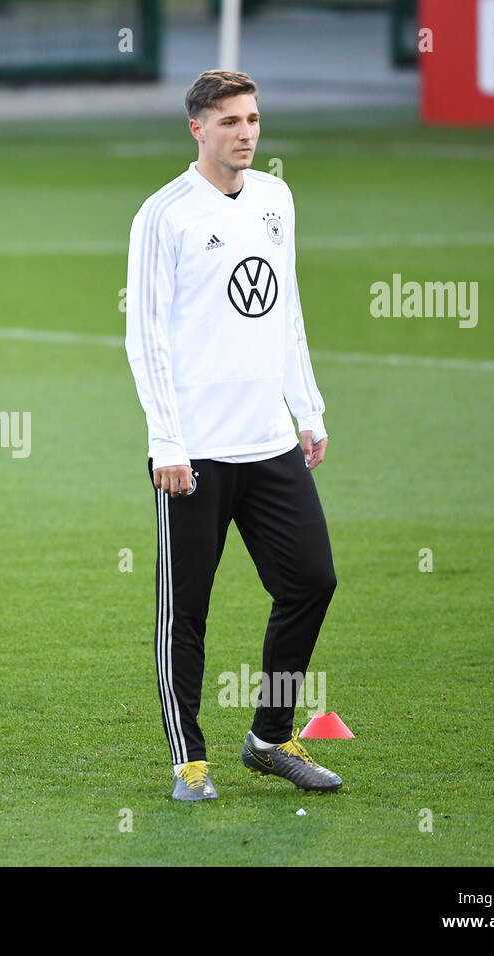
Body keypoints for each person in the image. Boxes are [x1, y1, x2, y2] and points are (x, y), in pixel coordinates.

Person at [124, 70, 342, 801]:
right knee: (187, 610)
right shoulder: (165, 215)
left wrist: (305, 407)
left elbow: (286, 311)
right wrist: (167, 442)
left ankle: (269, 737)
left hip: (268, 440)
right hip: (195, 452)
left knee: (312, 580)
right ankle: (190, 760)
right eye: (228, 122)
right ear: (197, 129)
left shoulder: (277, 199)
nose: (245, 133)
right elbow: (144, 336)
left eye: (252, 119)